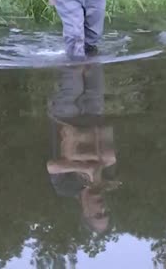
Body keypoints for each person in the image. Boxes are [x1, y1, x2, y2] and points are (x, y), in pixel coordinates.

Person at [47, 64, 120, 234]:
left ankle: (71, 41)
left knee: (74, 72)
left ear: (86, 213)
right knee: (94, 62)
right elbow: (107, 134)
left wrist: (87, 166)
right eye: (106, 213)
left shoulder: (67, 188)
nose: (103, 209)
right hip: (94, 114)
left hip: (65, 116)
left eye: (98, 215)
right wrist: (77, 146)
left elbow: (52, 166)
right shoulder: (108, 179)